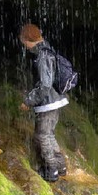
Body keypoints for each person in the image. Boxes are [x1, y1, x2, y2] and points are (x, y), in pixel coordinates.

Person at [19, 23, 68, 182]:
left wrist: (29, 101)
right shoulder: (48, 49)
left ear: (28, 39)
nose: (24, 45)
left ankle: (51, 169)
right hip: (57, 100)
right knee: (49, 134)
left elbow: (45, 85)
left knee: (42, 136)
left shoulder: (42, 56)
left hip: (48, 103)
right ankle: (61, 166)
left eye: (23, 41)